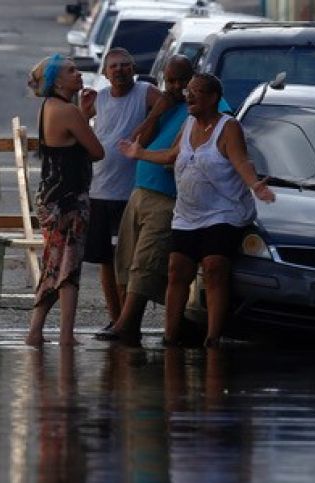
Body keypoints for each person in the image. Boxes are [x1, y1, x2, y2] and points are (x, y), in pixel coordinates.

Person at [119, 73, 275, 347]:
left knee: (214, 267)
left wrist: (255, 185)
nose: (188, 95)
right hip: (188, 214)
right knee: (177, 270)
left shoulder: (228, 127)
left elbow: (241, 161)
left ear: (213, 98)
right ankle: (170, 336)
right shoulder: (189, 123)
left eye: (196, 91)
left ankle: (212, 337)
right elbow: (172, 154)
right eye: (188, 91)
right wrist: (139, 153)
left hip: (223, 213)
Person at [96, 55, 195, 345]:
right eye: (171, 81)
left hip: (167, 196)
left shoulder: (198, 108)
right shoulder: (166, 105)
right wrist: (155, 113)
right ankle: (124, 321)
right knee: (125, 261)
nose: (176, 87)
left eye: (182, 81)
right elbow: (137, 139)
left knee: (146, 261)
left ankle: (128, 324)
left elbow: (174, 155)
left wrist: (142, 154)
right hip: (139, 190)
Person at [79, 48, 162, 332]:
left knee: (128, 261)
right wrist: (82, 110)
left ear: (134, 68)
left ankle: (128, 321)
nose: (119, 70)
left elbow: (169, 106)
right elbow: (79, 129)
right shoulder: (99, 99)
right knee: (105, 262)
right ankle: (115, 319)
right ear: (104, 73)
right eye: (113, 66)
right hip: (99, 191)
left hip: (130, 195)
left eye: (125, 65)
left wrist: (149, 130)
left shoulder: (146, 93)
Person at [26, 54, 105, 347]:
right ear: (57, 81)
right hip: (68, 200)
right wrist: (87, 117)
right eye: (71, 71)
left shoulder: (50, 106)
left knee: (54, 265)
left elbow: (69, 142)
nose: (79, 74)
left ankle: (36, 330)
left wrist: (83, 115)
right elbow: (97, 151)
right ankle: (65, 334)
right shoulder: (68, 111)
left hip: (50, 195)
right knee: (68, 269)